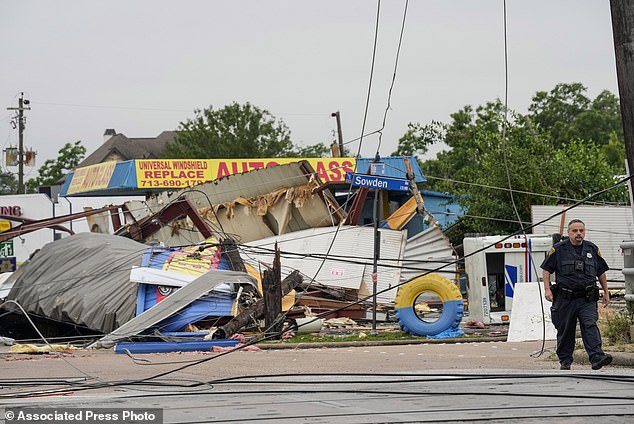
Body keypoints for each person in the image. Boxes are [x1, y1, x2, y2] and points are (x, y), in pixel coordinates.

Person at [541, 219, 612, 370]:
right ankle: (565, 361)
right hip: (565, 299)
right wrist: (547, 289)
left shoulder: (592, 249)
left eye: (581, 231)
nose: (578, 234)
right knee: (566, 329)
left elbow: (601, 272)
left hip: (587, 298)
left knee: (590, 324)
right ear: (569, 232)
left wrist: (606, 292)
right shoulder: (558, 249)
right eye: (575, 231)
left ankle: (596, 357)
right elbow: (546, 269)